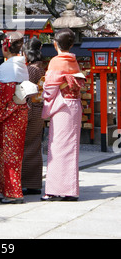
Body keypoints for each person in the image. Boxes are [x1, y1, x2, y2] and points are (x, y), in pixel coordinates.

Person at [41, 28, 86, 201]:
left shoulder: (56, 61)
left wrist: (44, 96)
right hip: (74, 105)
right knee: (71, 147)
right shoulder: (74, 61)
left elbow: (50, 88)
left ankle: (54, 190)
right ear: (72, 45)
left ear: (55, 44)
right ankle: (70, 190)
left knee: (58, 147)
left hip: (62, 106)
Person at [0, 32, 29, 204]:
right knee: (11, 154)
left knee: (9, 154)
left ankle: (13, 192)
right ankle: (5, 189)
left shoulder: (5, 68)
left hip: (8, 115)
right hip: (20, 113)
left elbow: (2, 95)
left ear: (6, 47)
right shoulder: (22, 66)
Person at [21, 37, 46, 195]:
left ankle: (27, 182)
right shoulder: (41, 67)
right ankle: (34, 182)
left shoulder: (31, 70)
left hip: (31, 108)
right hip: (39, 109)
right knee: (35, 146)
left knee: (26, 146)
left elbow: (24, 90)